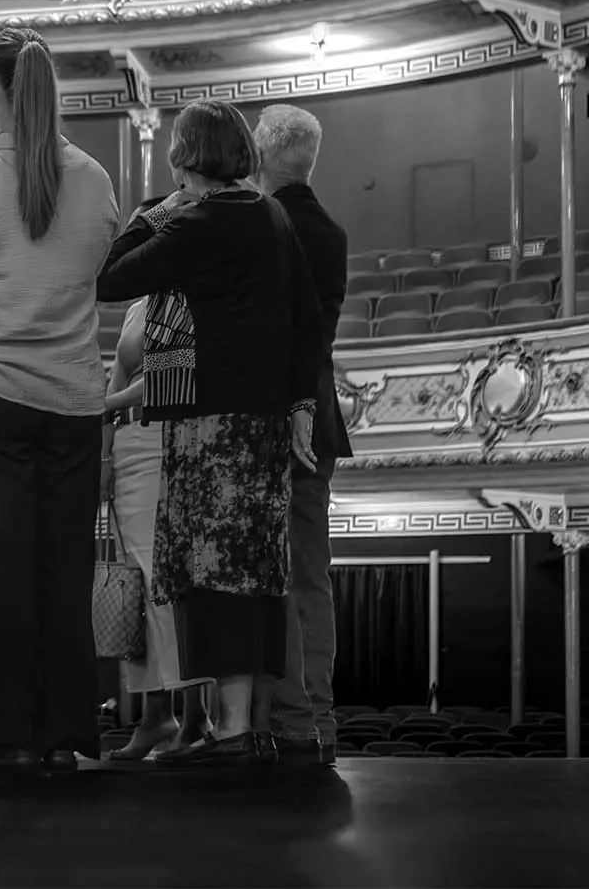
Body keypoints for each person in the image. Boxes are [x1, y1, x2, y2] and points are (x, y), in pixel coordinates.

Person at [94, 101, 322, 769]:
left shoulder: (199, 220)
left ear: (184, 156)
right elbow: (308, 319)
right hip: (263, 428)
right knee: (252, 576)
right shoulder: (271, 216)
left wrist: (152, 211)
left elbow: (111, 276)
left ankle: (226, 733)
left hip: (207, 426)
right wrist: (301, 403)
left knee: (209, 576)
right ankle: (244, 727)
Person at [0, 27, 120, 772]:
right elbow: (92, 275)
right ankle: (63, 731)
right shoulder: (96, 180)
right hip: (72, 398)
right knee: (62, 572)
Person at [253, 105, 351, 767]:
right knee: (310, 577)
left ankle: (286, 720)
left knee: (269, 579)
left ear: (261, 152)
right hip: (320, 416)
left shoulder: (264, 224)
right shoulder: (331, 229)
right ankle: (317, 715)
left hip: (272, 419)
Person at [100, 293, 208, 762]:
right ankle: (155, 715)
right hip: (129, 443)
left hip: (173, 435)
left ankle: (193, 716)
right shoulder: (137, 306)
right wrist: (104, 454)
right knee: (137, 585)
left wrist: (108, 401)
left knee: (169, 581)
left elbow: (177, 371)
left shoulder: (194, 296)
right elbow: (119, 372)